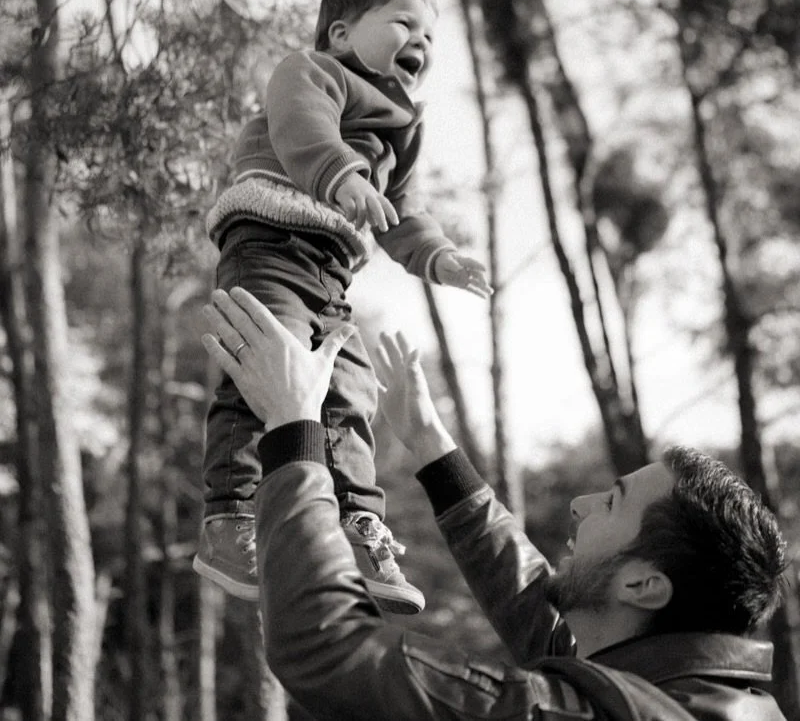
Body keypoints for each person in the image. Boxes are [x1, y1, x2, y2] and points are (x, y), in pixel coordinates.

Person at [201, 286, 788, 721]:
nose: (581, 504)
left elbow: (324, 647)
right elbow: (538, 608)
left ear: (643, 586)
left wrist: (294, 425)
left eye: (613, 503)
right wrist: (434, 449)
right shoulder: (689, 691)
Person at [194, 0, 491, 615]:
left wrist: (438, 257)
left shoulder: (403, 124)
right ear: (341, 32)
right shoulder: (313, 70)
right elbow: (301, 124)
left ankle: (358, 527)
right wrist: (340, 175)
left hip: (330, 274)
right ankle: (231, 517)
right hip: (268, 241)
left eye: (432, 35)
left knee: (350, 395)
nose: (423, 42)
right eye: (405, 24)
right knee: (261, 370)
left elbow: (404, 210)